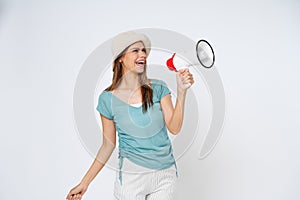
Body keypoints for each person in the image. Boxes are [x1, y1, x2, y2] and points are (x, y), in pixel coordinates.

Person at [66, 31, 194, 200]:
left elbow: (174, 127)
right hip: (131, 178)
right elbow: (107, 145)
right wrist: (85, 183)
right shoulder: (107, 99)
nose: (142, 54)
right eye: (135, 50)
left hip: (164, 175)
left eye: (143, 51)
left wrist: (181, 92)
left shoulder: (159, 88)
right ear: (120, 57)